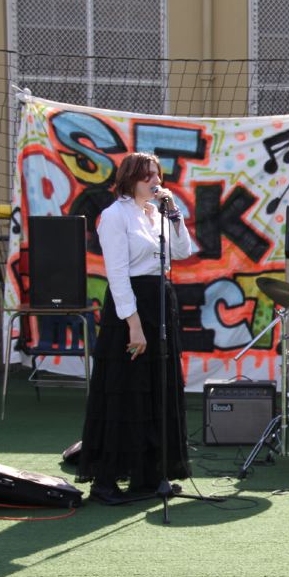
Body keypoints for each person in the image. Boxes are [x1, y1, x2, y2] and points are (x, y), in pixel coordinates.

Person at [77, 152, 194, 504]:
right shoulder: (114, 216)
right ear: (130, 180)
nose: (155, 181)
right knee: (126, 390)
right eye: (147, 176)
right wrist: (134, 325)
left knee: (156, 388)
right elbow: (117, 275)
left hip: (160, 303)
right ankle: (106, 482)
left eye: (157, 175)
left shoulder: (157, 213)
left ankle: (149, 476)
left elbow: (183, 251)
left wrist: (175, 215)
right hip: (131, 309)